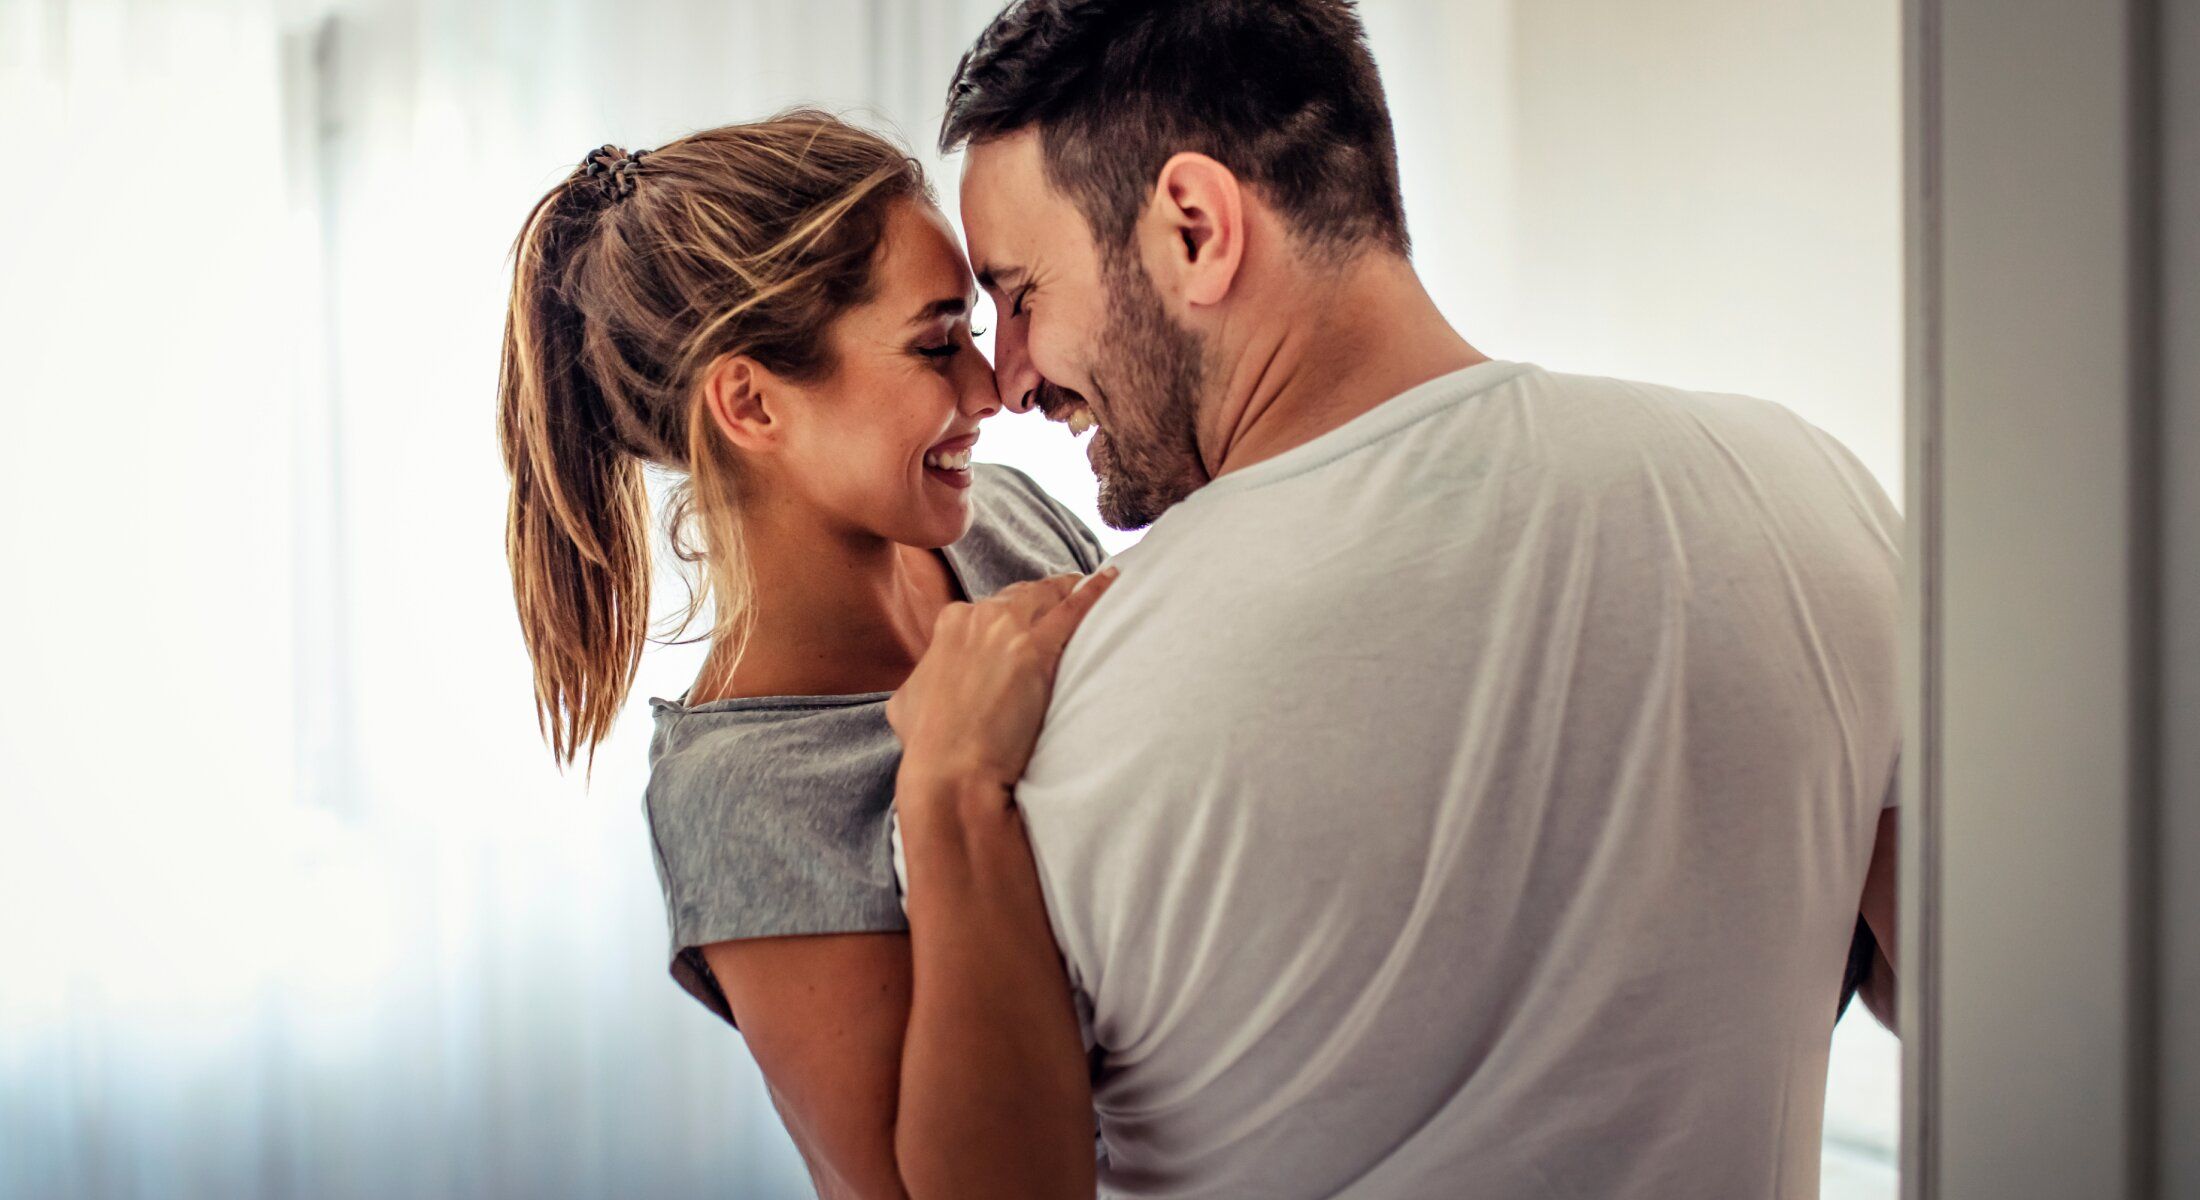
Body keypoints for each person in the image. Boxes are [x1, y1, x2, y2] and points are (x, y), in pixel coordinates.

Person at [914, 0, 1905, 1195]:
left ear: (1194, 229)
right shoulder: (1809, 496)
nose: (1009, 377)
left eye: (1022, 294)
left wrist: (947, 792)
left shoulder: (1063, 697)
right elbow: (1972, 991)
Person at [495, 114, 1111, 1198]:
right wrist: (948, 783)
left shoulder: (1008, 523)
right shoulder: (743, 791)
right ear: (751, 403)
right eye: (935, 345)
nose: (991, 389)